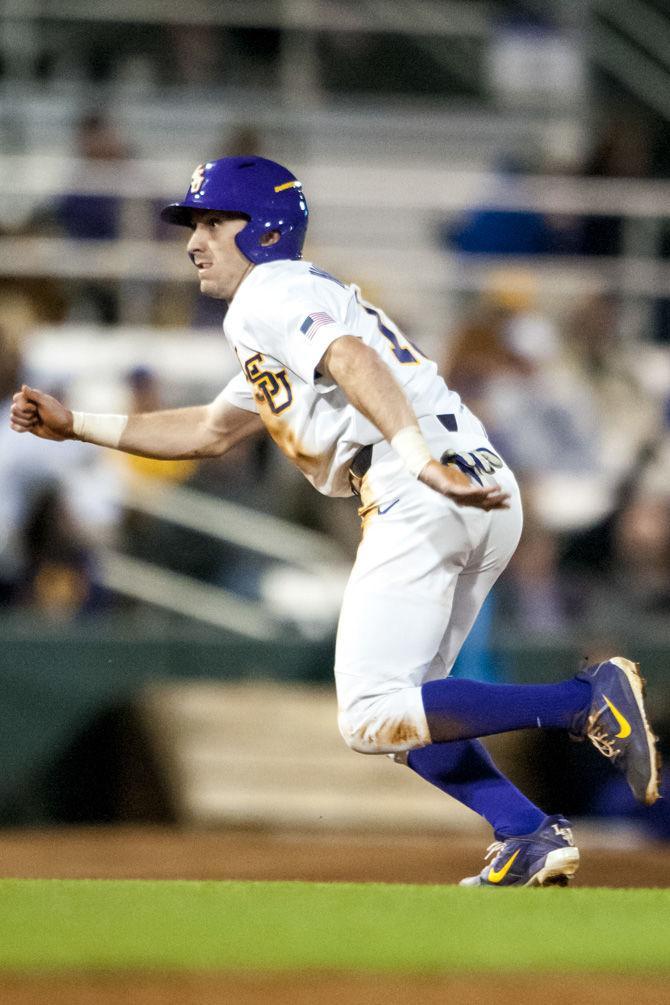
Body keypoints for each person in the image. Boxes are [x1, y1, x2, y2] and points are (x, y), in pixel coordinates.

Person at [10, 156, 661, 886]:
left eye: (212, 223)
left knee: (369, 711)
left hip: (418, 482)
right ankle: (528, 830)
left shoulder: (268, 293)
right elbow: (209, 429)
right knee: (412, 711)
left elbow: (350, 357)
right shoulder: (291, 305)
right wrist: (79, 425)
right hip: (475, 485)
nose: (194, 240)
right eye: (193, 224)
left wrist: (415, 459)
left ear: (262, 230)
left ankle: (582, 699)